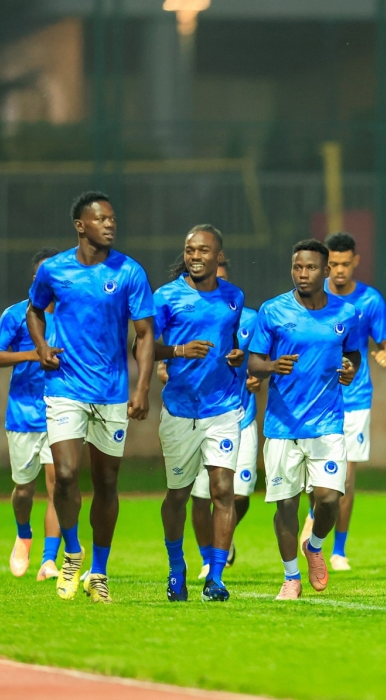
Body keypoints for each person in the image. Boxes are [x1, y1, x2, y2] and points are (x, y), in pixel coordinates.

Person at [27, 192, 154, 604]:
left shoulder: (130, 272)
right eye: (101, 219)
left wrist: (141, 388)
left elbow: (146, 333)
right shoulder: (54, 269)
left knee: (106, 481)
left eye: (113, 219)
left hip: (112, 392)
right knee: (64, 474)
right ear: (81, 225)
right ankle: (72, 551)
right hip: (65, 387)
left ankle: (98, 572)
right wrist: (42, 346)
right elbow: (34, 308)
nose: (110, 225)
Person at [248, 239, 361, 600]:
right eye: (297, 267)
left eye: (310, 267)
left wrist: (349, 369)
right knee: (286, 503)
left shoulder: (346, 313)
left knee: (329, 499)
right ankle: (291, 577)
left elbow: (354, 356)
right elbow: (254, 363)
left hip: (327, 422)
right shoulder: (272, 311)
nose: (303, 274)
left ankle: (314, 545)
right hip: (282, 425)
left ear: (326, 271)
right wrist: (271, 367)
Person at [151, 225, 246, 602]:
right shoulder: (167, 297)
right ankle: (177, 568)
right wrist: (177, 351)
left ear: (217, 255)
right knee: (178, 495)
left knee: (224, 491)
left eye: (203, 250)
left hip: (222, 409)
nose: (194, 256)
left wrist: (237, 356)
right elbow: (139, 346)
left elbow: (234, 343)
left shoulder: (234, 298)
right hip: (180, 410)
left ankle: (216, 577)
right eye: (189, 250)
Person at [295, 232, 386, 572]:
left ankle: (337, 550)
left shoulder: (369, 301)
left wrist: (382, 354)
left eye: (344, 263)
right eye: (333, 264)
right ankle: (313, 515)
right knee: (317, 481)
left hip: (354, 400)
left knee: (346, 480)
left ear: (355, 262)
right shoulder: (311, 302)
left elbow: (384, 344)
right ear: (325, 267)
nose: (338, 270)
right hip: (318, 401)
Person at [0, 247, 61, 581]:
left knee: (59, 484)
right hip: (22, 414)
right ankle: (23, 533)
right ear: (36, 280)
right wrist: (34, 354)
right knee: (24, 489)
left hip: (61, 410)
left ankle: (49, 559)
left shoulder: (71, 315)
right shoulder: (16, 315)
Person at [189, 259, 259, 580]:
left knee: (239, 494)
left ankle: (224, 538)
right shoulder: (191, 319)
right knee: (201, 496)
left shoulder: (251, 319)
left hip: (241, 418)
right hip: (199, 418)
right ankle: (209, 557)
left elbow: (263, 359)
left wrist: (259, 375)